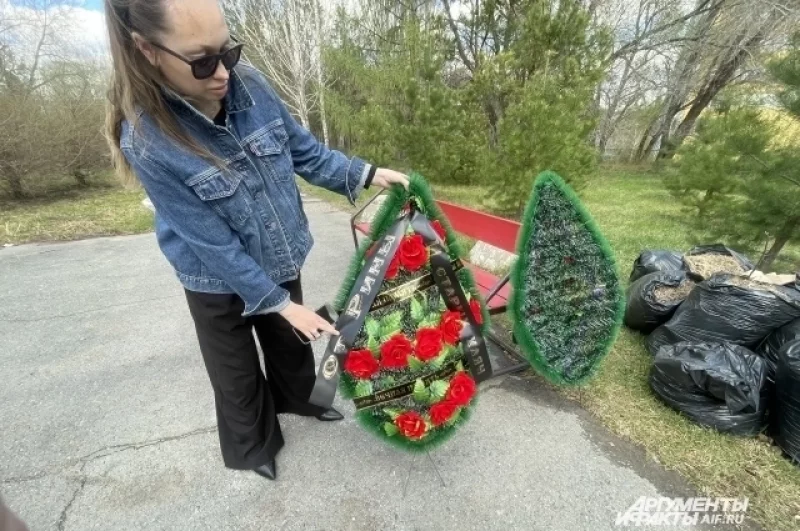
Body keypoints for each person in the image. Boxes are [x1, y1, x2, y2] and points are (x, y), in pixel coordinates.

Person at [103, 0, 409, 481]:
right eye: (202, 61)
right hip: (213, 274)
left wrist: (367, 173)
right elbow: (212, 244)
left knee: (290, 340)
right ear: (148, 50)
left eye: (229, 52)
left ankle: (300, 400)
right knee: (236, 367)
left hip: (277, 247)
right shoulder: (146, 140)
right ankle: (254, 444)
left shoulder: (253, 86)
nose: (223, 72)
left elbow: (305, 154)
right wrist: (280, 304)